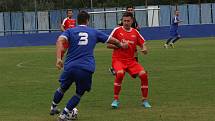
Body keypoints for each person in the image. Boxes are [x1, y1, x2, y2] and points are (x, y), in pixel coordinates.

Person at [49, 11, 128, 121]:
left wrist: (58, 58)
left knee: (63, 87)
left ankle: (53, 107)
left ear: (77, 21)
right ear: (88, 20)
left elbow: (59, 41)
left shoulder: (70, 31)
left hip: (70, 66)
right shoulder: (94, 32)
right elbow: (112, 40)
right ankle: (64, 114)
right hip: (85, 68)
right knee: (79, 92)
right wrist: (121, 45)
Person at [107, 12, 151, 109]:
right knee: (120, 73)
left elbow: (143, 43)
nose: (126, 23)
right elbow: (108, 44)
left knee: (143, 74)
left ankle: (144, 100)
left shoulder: (135, 32)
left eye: (128, 21)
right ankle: (115, 100)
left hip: (131, 61)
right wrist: (120, 45)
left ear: (132, 21)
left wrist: (144, 49)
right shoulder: (117, 30)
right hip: (118, 60)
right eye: (124, 21)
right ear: (122, 21)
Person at [109, 5, 140, 75]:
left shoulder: (134, 19)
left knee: (135, 52)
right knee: (120, 53)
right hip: (123, 38)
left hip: (132, 39)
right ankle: (114, 67)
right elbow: (118, 26)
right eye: (128, 10)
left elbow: (137, 27)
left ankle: (135, 69)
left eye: (131, 10)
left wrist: (137, 29)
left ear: (133, 10)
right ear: (126, 11)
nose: (130, 11)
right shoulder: (124, 18)